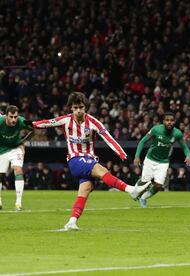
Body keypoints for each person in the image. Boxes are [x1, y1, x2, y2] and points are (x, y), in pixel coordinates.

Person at [32, 92, 149, 230]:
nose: (79, 110)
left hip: (89, 158)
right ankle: (131, 190)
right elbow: (47, 123)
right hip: (75, 160)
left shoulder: (93, 122)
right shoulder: (65, 120)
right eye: (76, 108)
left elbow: (108, 138)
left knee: (85, 190)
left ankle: (72, 221)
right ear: (71, 108)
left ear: (85, 107)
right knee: (102, 170)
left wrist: (122, 155)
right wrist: (31, 123)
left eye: (81, 107)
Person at [134, 112, 190, 208]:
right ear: (163, 121)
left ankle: (143, 198)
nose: (169, 122)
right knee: (144, 181)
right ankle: (137, 187)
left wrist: (188, 156)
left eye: (171, 120)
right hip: (150, 159)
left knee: (158, 186)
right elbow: (142, 141)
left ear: (174, 122)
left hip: (163, 162)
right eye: (167, 120)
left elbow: (185, 147)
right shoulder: (156, 129)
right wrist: (137, 156)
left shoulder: (177, 133)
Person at [0, 105, 33, 211]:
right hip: (2, 149)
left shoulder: (21, 121)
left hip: (16, 148)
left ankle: (18, 203)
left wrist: (23, 142)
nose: (14, 119)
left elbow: (33, 130)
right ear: (6, 116)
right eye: (11, 117)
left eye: (15, 117)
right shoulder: (0, 122)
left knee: (18, 169)